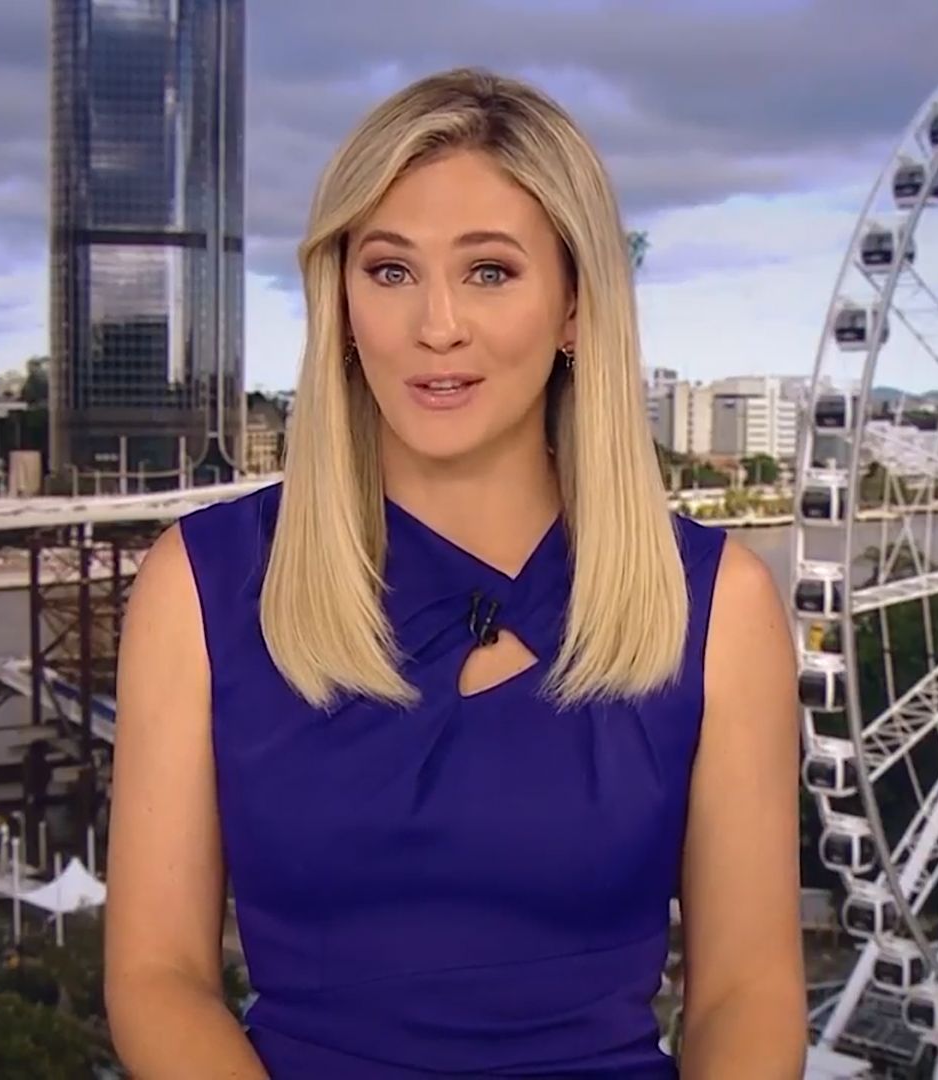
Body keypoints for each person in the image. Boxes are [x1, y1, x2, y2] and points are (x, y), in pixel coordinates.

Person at [105, 67, 806, 1078]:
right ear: (342, 303)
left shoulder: (719, 607)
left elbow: (747, 992)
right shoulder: (200, 587)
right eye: (391, 271)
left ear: (574, 306)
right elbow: (158, 977)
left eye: (489, 272)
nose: (437, 325)